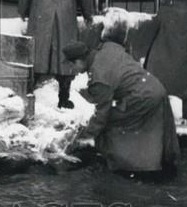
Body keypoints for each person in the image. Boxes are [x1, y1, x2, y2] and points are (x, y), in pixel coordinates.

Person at [65, 12, 180, 174]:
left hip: (143, 97)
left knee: (113, 123)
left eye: (72, 66)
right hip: (156, 88)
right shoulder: (105, 49)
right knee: (147, 127)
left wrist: (83, 136)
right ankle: (160, 162)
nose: (73, 71)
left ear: (79, 61)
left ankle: (128, 164)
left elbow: (101, 115)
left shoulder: (98, 76)